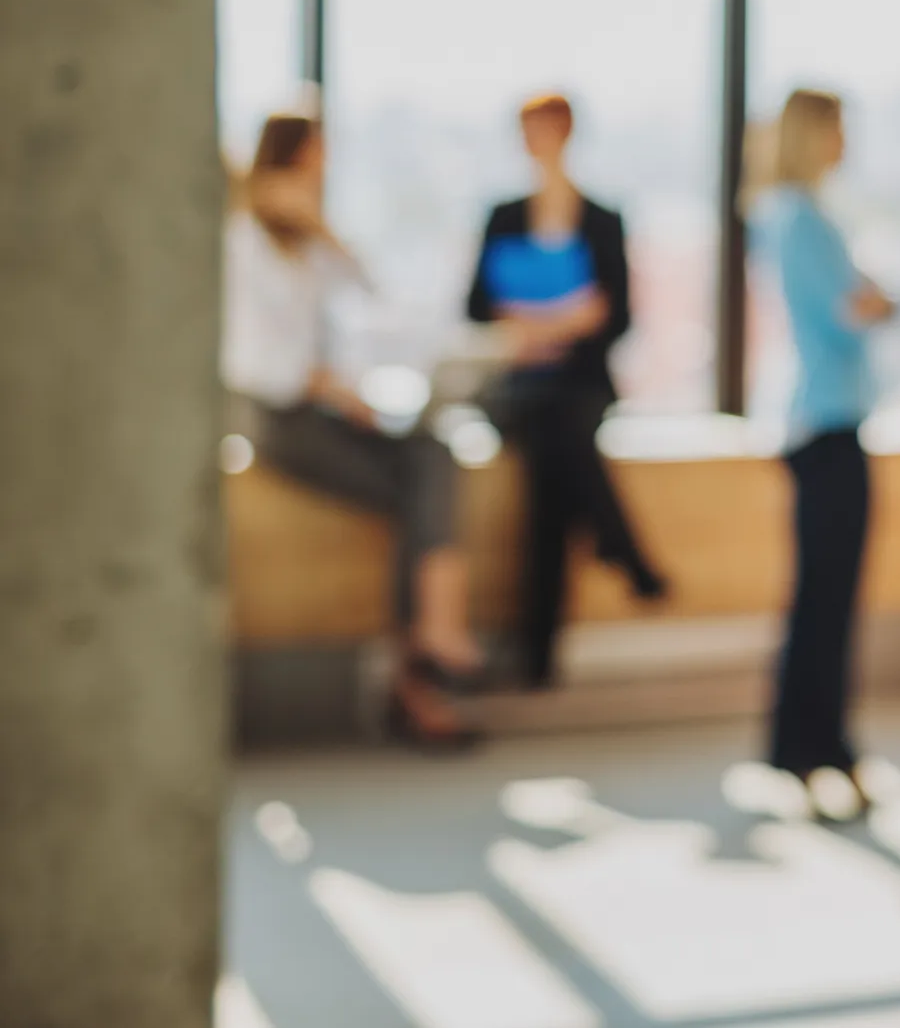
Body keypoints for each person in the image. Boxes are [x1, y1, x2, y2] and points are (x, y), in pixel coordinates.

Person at [225, 112, 482, 749]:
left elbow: (373, 299)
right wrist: (323, 384)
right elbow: (247, 359)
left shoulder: (308, 242)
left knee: (433, 459)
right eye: (312, 159)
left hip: (328, 408)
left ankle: (430, 642)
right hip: (278, 417)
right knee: (422, 492)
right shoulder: (241, 241)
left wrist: (323, 232)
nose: (321, 172)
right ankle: (422, 668)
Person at [466, 93, 666, 690]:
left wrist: (547, 324)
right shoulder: (503, 215)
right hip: (518, 384)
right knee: (559, 438)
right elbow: (476, 306)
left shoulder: (602, 220)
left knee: (553, 468)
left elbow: (618, 316)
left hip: (577, 384)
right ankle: (618, 545)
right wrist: (559, 321)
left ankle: (538, 654)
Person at [748, 88, 896, 822]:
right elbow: (846, 314)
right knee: (825, 601)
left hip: (815, 420)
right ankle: (817, 748)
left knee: (822, 597)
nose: (847, 140)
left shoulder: (785, 215)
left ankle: (818, 746)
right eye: (839, 127)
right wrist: (878, 301)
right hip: (828, 422)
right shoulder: (801, 219)